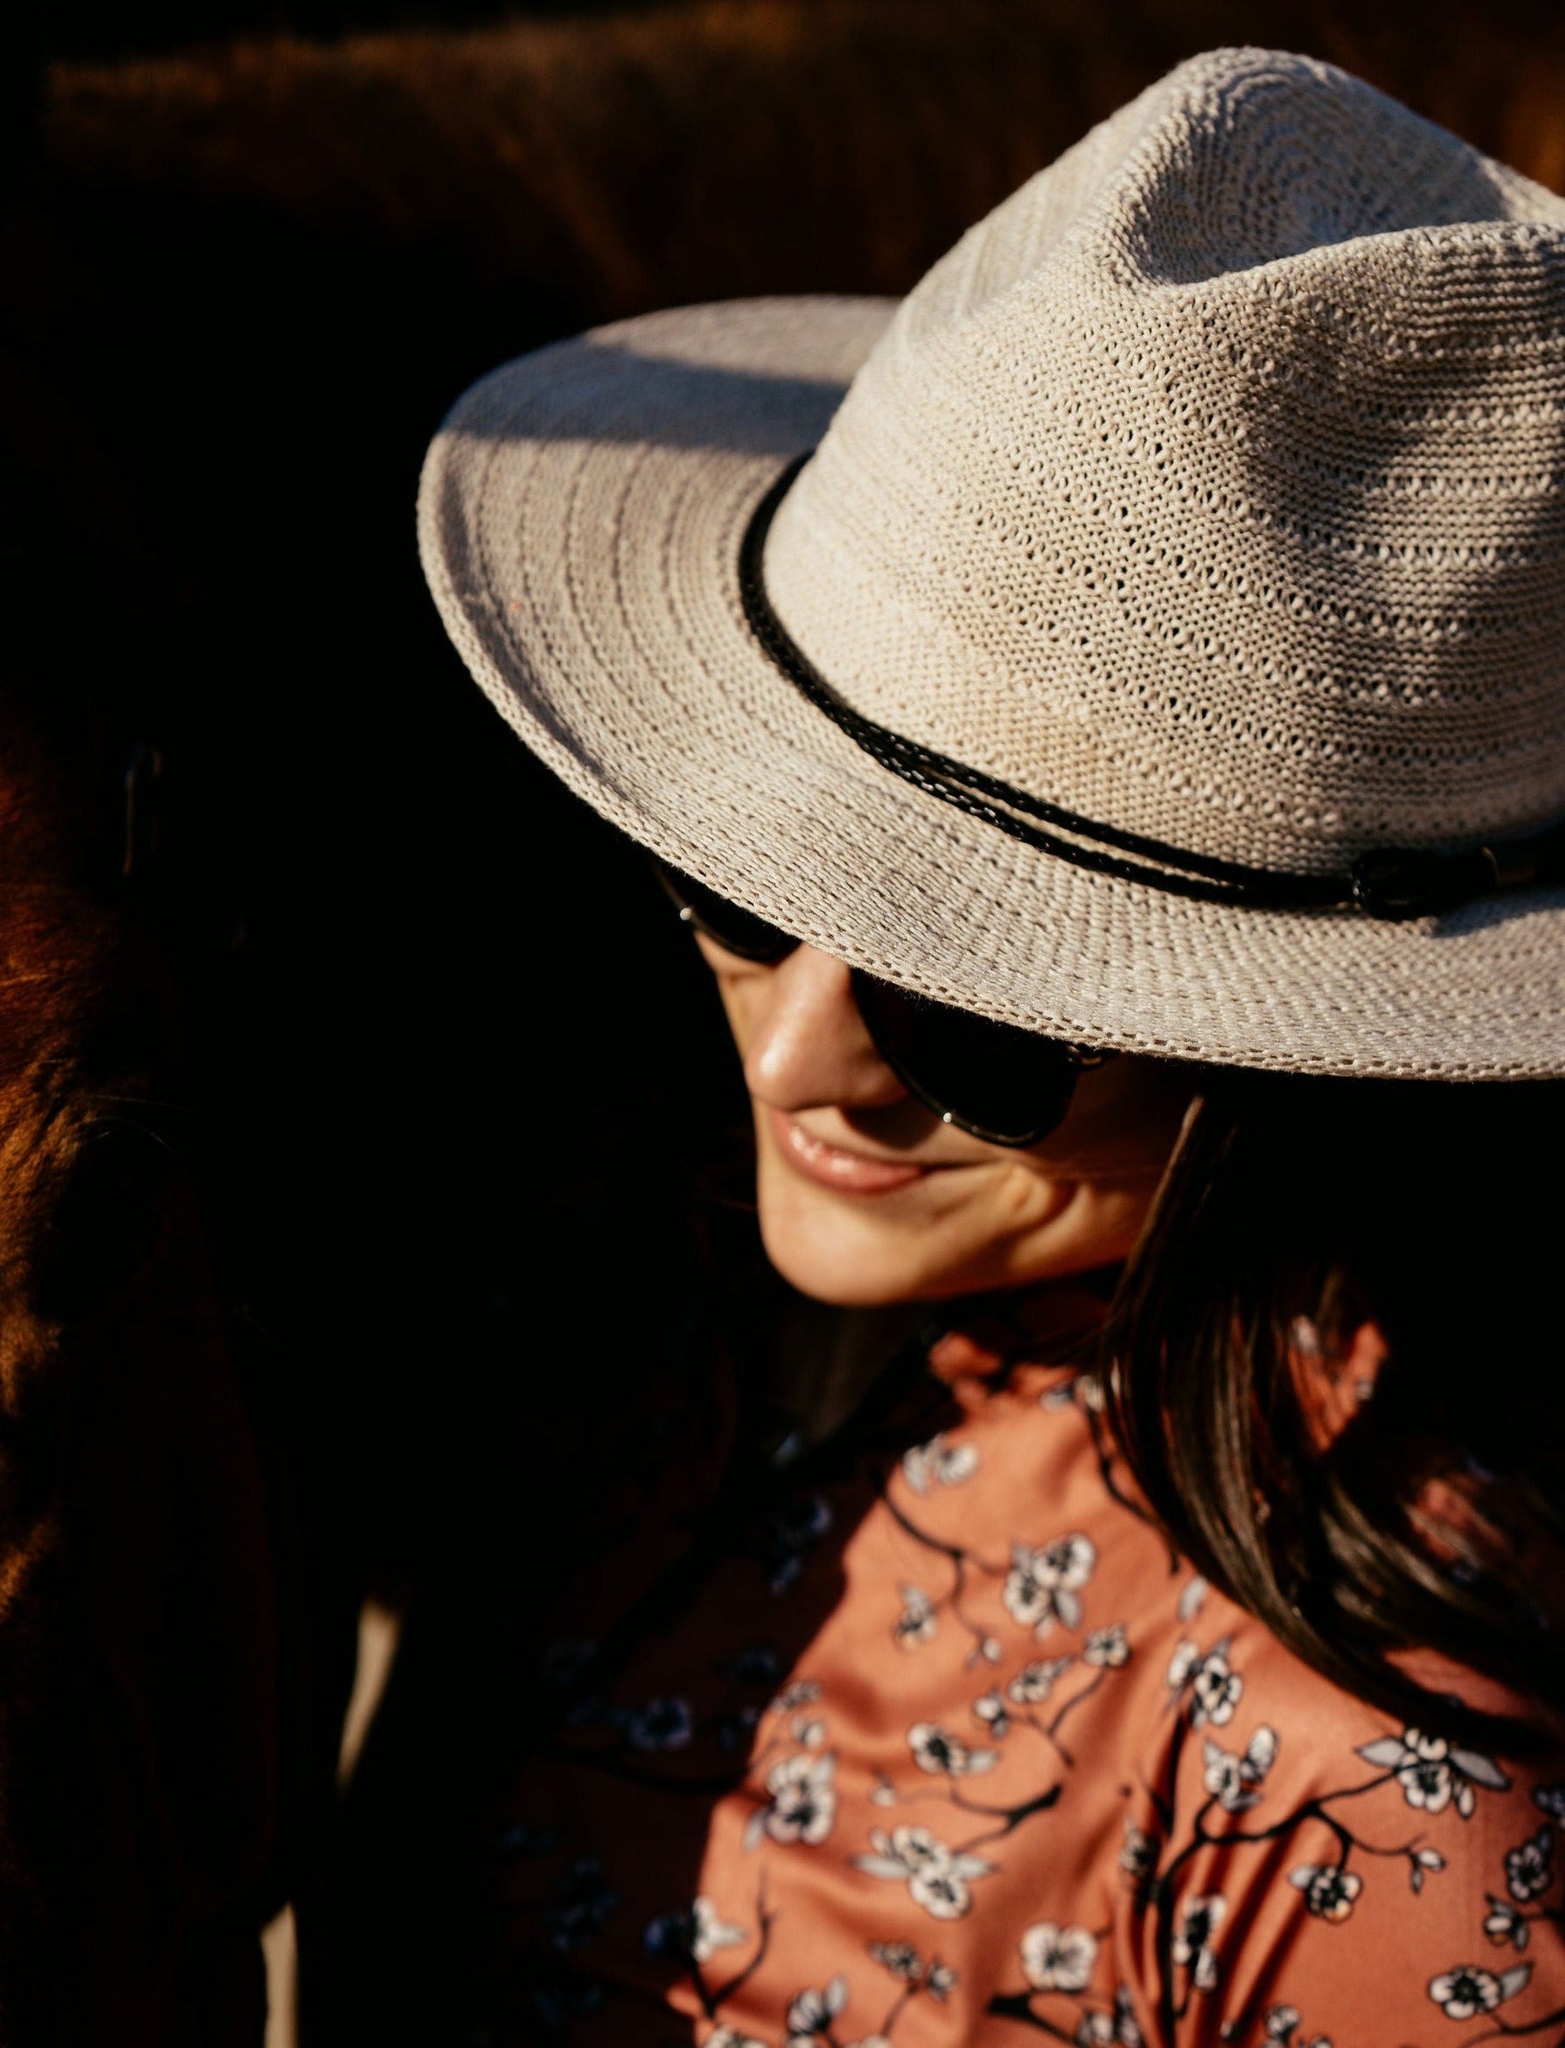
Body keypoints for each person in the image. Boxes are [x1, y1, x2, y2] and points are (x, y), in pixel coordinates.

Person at [411, 46, 1565, 2046]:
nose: (798, 1061)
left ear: (1305, 1051)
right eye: (741, 885)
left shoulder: (1384, 1795)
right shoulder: (610, 1278)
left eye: (977, 1009)